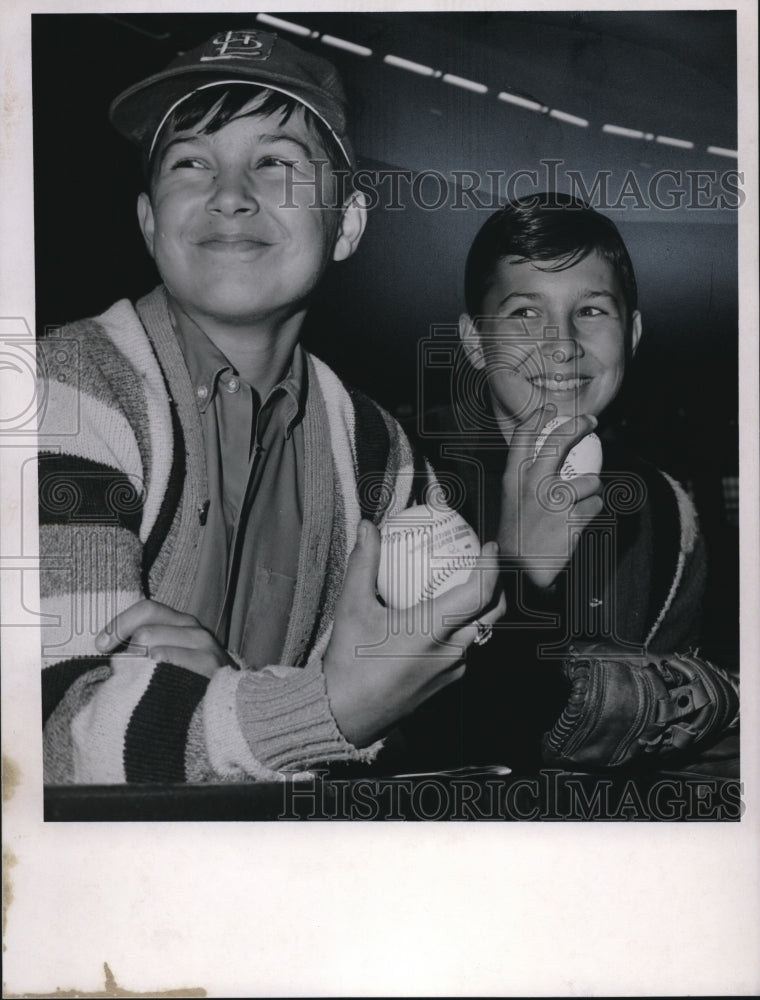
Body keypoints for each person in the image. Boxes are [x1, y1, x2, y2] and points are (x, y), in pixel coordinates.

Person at [38, 28, 504, 785]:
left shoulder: (378, 453)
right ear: (151, 221)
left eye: (276, 163)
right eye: (190, 161)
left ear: (346, 224)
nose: (229, 194)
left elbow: (446, 701)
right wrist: (323, 710)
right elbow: (51, 730)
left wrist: (222, 691)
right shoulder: (65, 387)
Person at [403, 192, 737, 774]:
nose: (560, 344)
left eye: (591, 311)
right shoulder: (402, 483)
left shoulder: (666, 511)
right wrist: (516, 567)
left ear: (631, 335)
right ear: (475, 342)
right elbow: (402, 736)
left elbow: (677, 742)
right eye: (525, 313)